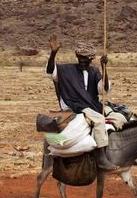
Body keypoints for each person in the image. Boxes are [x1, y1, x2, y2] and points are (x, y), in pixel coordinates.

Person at [46, 34, 118, 170]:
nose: (83, 61)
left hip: (91, 105)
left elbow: (103, 90)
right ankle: (101, 158)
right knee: (99, 119)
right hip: (74, 105)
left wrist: (104, 68)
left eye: (86, 59)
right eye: (81, 58)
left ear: (91, 59)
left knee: (119, 116)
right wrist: (53, 53)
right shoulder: (66, 70)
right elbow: (51, 73)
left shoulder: (95, 71)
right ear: (77, 57)